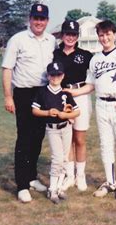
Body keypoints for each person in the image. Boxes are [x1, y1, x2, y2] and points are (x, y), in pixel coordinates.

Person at [68, 20, 116, 200]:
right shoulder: (95, 59)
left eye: (108, 34)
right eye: (101, 35)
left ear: (114, 35)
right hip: (101, 105)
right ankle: (110, 182)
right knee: (106, 145)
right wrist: (74, 91)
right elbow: (90, 85)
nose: (105, 38)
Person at [1, 3, 57, 203]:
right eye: (36, 18)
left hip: (43, 93)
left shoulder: (52, 41)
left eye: (42, 19)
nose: (39, 22)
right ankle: (22, 185)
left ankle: (32, 177)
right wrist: (8, 96)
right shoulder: (18, 40)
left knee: (37, 137)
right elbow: (7, 68)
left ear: (47, 21)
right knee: (24, 138)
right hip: (24, 93)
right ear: (29, 19)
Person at [53, 20, 93, 192]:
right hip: (61, 98)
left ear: (78, 36)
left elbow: (93, 83)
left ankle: (80, 176)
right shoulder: (55, 54)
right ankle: (69, 175)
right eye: (67, 34)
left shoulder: (86, 55)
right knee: (66, 139)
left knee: (79, 139)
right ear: (62, 35)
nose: (70, 37)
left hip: (81, 97)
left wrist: (76, 93)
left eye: (74, 34)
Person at [32, 61, 80, 204]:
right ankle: (52, 189)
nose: (55, 78)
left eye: (58, 75)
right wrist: (47, 112)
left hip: (66, 128)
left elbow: (77, 111)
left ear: (63, 76)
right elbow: (34, 110)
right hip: (52, 129)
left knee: (64, 158)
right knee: (57, 158)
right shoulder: (42, 92)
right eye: (52, 75)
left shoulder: (65, 93)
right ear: (48, 76)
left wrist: (66, 115)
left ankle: (59, 187)